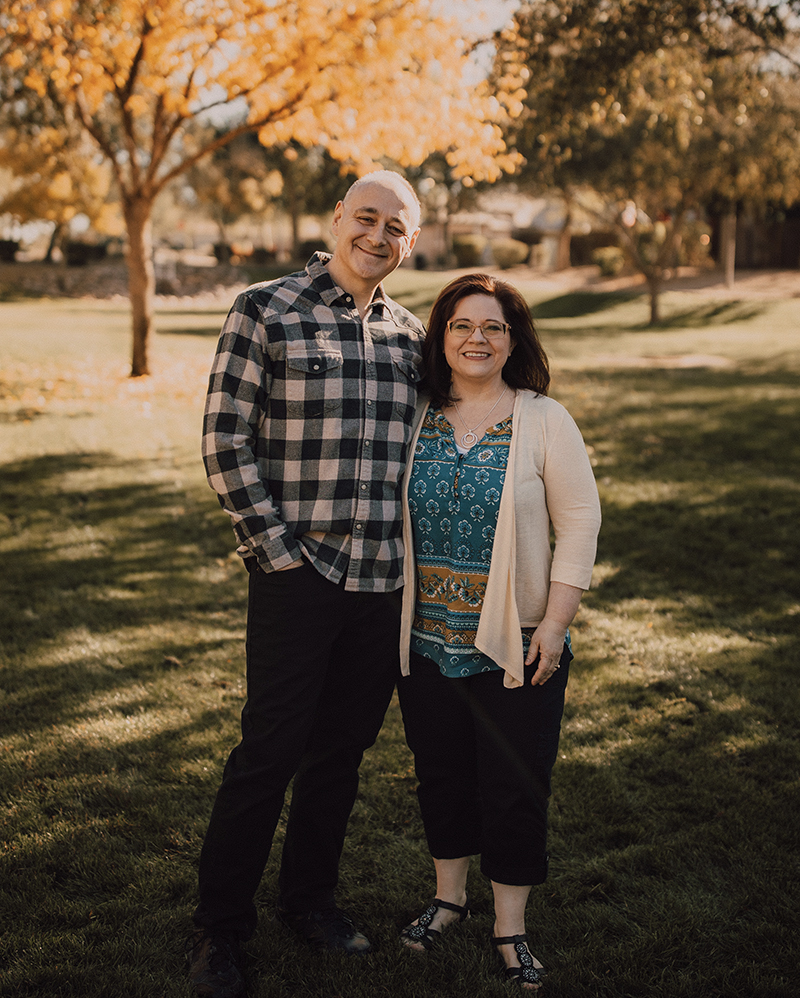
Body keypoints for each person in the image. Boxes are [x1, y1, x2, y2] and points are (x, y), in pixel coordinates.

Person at [189, 170, 423, 998]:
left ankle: (310, 902)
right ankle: (220, 931)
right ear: (337, 219)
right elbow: (225, 440)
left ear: (411, 243)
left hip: (382, 584)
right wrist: (276, 551)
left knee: (342, 755)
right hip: (298, 573)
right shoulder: (266, 308)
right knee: (270, 751)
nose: (379, 236)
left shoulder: (411, 336)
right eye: (368, 217)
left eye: (397, 228)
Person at [396, 273, 601, 989]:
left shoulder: (543, 418)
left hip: (518, 642)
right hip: (424, 642)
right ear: (440, 336)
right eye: (461, 325)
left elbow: (580, 523)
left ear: (514, 340)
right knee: (442, 776)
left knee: (515, 786)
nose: (476, 339)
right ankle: (447, 900)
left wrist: (556, 622)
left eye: (493, 327)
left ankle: (510, 928)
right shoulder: (416, 413)